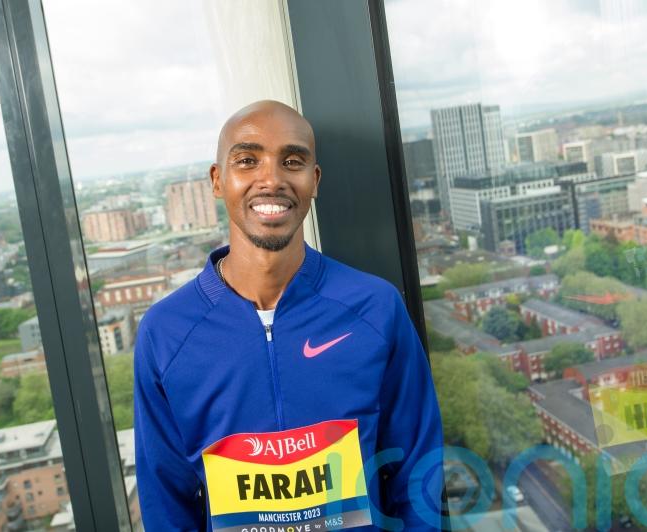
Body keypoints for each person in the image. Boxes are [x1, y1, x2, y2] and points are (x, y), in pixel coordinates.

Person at [134, 100, 443, 531]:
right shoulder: (166, 333)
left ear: (313, 180)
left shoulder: (375, 308)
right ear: (218, 180)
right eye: (247, 160)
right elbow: (165, 500)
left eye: (292, 161)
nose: (272, 179)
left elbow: (418, 471)